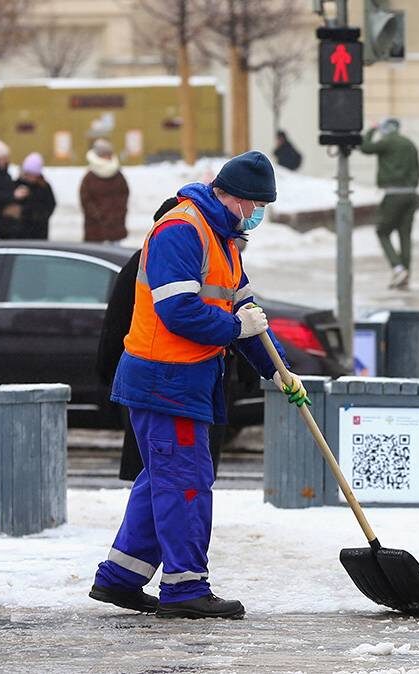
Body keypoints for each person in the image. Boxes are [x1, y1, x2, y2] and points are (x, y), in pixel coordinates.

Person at [90, 151, 308, 620]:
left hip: (189, 380)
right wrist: (235, 329)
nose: (256, 214)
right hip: (164, 379)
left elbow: (251, 315)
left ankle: (121, 578)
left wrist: (279, 371)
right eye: (252, 204)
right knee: (186, 484)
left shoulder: (225, 240)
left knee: (163, 481)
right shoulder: (181, 230)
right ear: (228, 195)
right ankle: (186, 587)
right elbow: (179, 311)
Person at [97, 197, 229, 483]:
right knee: (168, 474)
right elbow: (119, 323)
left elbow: (114, 323)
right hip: (163, 378)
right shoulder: (153, 261)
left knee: (161, 475)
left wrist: (109, 373)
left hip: (173, 379)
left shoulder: (197, 258)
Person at [360, 118, 419, 290]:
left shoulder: (387, 142)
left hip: (393, 194)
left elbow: (365, 147)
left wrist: (371, 130)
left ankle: (397, 267)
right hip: (411, 194)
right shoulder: (410, 144)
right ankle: (406, 274)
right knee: (405, 235)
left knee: (382, 231)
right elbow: (417, 170)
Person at [80, 138, 130, 244]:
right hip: (95, 228)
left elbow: (124, 194)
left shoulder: (118, 175)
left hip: (115, 226)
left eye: (109, 154)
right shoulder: (90, 177)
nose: (108, 157)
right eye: (105, 154)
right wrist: (98, 215)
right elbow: (85, 199)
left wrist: (118, 214)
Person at [15, 152, 56, 240]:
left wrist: (40, 216)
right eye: (28, 173)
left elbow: (51, 204)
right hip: (21, 231)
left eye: (33, 174)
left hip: (39, 230)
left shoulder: (44, 186)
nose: (30, 177)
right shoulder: (18, 184)